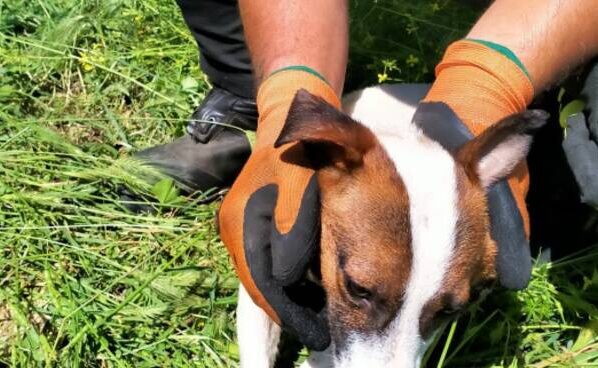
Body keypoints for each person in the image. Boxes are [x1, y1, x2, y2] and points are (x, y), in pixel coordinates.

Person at [137, 0, 598, 349]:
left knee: (573, 197)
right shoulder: (344, 171)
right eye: (361, 290)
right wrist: (286, 93)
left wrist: (491, 80)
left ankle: (559, 104)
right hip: (342, 124)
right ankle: (246, 94)